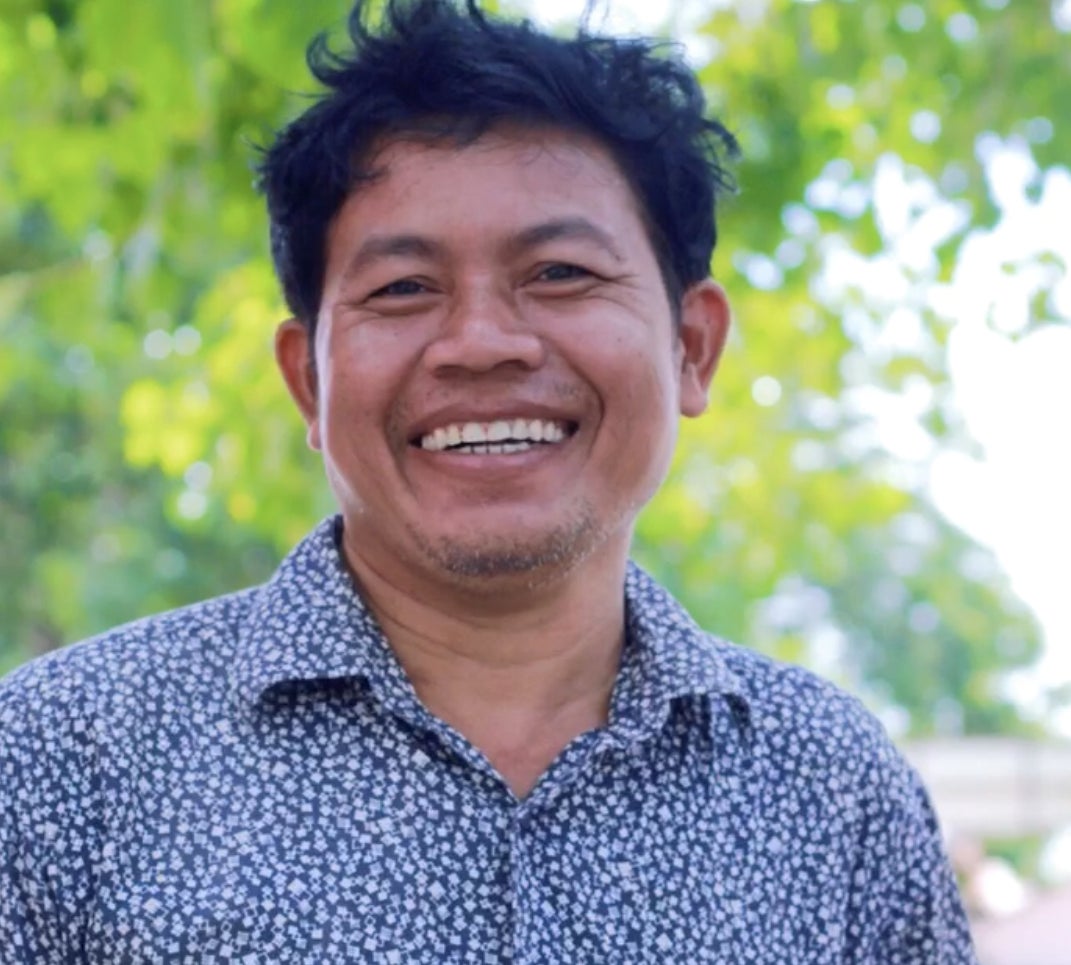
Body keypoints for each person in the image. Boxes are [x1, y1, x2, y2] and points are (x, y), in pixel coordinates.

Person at [0, 0, 977, 961]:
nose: (481, 343)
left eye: (559, 273)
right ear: (309, 380)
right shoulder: (56, 762)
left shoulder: (834, 789)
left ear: (690, 346)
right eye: (403, 288)